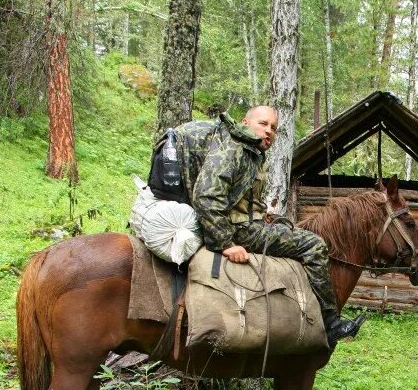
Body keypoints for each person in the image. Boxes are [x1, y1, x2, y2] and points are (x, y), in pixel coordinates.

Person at [151, 105, 365, 348]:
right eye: (263, 124)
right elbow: (206, 196)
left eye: (273, 127)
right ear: (245, 122)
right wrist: (225, 244)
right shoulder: (235, 148)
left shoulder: (249, 152)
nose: (269, 131)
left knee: (290, 231)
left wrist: (265, 216)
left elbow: (242, 199)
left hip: (242, 223)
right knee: (314, 245)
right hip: (237, 230)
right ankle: (332, 323)